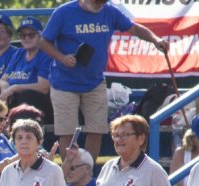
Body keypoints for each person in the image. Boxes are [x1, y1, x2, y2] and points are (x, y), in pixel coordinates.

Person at [39, 0, 169, 161]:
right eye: (97, 2)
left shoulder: (110, 11)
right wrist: (62, 58)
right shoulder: (63, 12)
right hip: (64, 83)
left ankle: (88, 171)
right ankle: (68, 174)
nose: (100, 5)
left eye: (103, 2)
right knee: (67, 132)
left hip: (95, 82)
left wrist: (156, 40)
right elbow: (43, 41)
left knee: (97, 130)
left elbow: (134, 28)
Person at [0, 16, 53, 122]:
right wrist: (5, 88)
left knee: (26, 95)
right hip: (14, 100)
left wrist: (15, 87)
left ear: (40, 36)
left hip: (37, 103)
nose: (26, 38)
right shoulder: (18, 53)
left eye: (31, 35)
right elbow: (2, 80)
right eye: (23, 35)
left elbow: (43, 87)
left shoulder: (45, 55)